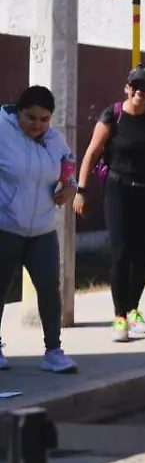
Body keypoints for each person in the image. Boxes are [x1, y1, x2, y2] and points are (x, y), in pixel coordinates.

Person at [75, 64, 145, 342]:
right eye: (135, 87)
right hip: (118, 190)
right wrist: (82, 190)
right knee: (121, 252)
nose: (139, 92)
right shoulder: (113, 116)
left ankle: (134, 310)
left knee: (142, 254)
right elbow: (91, 153)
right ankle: (119, 316)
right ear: (127, 88)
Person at [0, 85, 78, 372]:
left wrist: (71, 188)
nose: (37, 125)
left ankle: (53, 351)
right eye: (31, 118)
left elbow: (69, 169)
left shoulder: (55, 140)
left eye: (44, 119)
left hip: (43, 228)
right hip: (5, 225)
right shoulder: (2, 130)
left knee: (48, 287)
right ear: (18, 111)